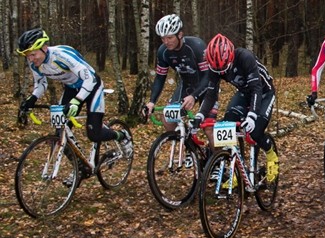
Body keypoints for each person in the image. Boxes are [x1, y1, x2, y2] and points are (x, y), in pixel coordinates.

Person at [17, 28, 133, 164]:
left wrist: (77, 101)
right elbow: (41, 83)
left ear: (44, 47)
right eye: (27, 55)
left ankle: (121, 136)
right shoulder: (35, 64)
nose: (30, 59)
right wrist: (33, 98)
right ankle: (80, 168)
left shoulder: (61, 56)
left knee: (94, 134)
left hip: (92, 85)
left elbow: (90, 79)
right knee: (60, 133)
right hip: (71, 88)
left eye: (32, 54)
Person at [194, 33, 279, 186]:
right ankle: (235, 170)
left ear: (230, 56)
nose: (221, 73)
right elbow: (211, 95)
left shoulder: (245, 57)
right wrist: (200, 115)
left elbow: (256, 88)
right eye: (217, 70)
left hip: (264, 93)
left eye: (224, 69)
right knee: (227, 124)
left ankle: (271, 154)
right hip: (243, 93)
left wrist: (252, 115)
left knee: (255, 131)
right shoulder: (215, 67)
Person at [143, 14, 216, 146]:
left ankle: (217, 161)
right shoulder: (163, 52)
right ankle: (189, 148)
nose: (166, 42)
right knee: (167, 119)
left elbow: (208, 76)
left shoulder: (197, 46)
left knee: (208, 128)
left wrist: (194, 96)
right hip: (186, 85)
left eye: (170, 37)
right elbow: (160, 77)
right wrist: (152, 102)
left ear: (180, 34)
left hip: (207, 86)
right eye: (163, 38)